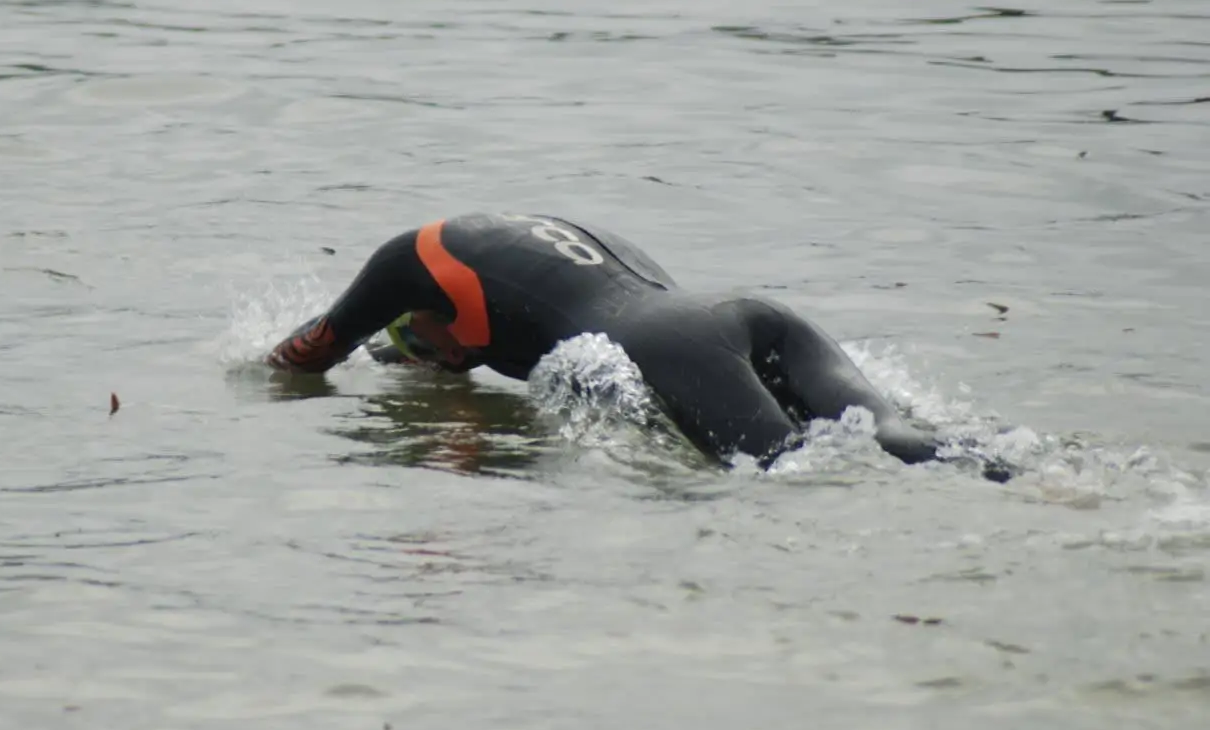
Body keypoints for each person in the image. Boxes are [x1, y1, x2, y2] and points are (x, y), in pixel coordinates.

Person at [268, 213, 990, 476]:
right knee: (892, 434)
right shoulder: (536, 244)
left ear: (424, 310)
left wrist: (246, 368)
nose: (446, 360)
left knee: (793, 480)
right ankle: (1022, 470)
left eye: (421, 343)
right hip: (740, 313)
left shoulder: (407, 260)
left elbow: (307, 354)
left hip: (676, 348)